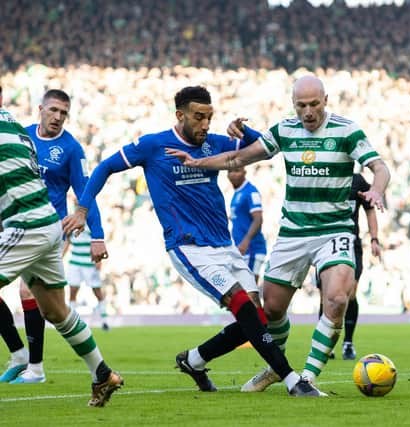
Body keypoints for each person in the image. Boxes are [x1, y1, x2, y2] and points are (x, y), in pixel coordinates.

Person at [62, 86, 324, 397]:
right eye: (198, 117)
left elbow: (262, 148)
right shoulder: (153, 145)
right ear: (180, 115)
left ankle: (194, 360)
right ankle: (294, 381)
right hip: (189, 246)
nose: (205, 125)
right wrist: (82, 208)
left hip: (224, 244)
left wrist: (245, 130)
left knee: (257, 317)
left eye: (209, 117)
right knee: (242, 305)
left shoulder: (213, 144)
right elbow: (105, 167)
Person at [166, 75, 391, 391]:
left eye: (314, 104)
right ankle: (275, 366)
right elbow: (238, 157)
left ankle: (306, 379)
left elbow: (380, 168)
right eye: (301, 105)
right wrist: (197, 161)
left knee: (338, 297)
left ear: (325, 100)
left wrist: (377, 191)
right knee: (269, 311)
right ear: (293, 105)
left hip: (334, 230)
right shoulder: (285, 130)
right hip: (293, 233)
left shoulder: (347, 131)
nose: (308, 112)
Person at [0, 95, 122, 406]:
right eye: (53, 110)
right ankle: (102, 373)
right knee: (56, 311)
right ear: (39, 109)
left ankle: (25, 360)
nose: (57, 117)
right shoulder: (18, 129)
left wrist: (98, 234)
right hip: (46, 228)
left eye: (63, 112)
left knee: (36, 299)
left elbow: (83, 189)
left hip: (29, 226)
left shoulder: (69, 148)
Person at [314, 172, 382, 360]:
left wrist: (374, 238)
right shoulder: (324, 176)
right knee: (326, 296)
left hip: (351, 244)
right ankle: (326, 344)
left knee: (350, 293)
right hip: (325, 243)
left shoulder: (358, 181)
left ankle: (348, 342)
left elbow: (369, 209)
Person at [227, 166, 267, 288]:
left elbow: (258, 218)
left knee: (250, 291)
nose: (233, 174)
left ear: (244, 172)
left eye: (236, 170)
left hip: (252, 249)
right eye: (230, 171)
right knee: (243, 293)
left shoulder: (250, 191)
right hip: (240, 249)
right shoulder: (237, 193)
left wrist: (246, 241)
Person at [64, 227, 110, 332]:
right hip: (75, 261)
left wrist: (99, 261)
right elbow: (68, 240)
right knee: (73, 291)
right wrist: (61, 256)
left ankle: (105, 320)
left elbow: (98, 241)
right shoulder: (72, 219)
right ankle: (72, 322)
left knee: (97, 292)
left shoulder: (92, 220)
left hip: (90, 262)